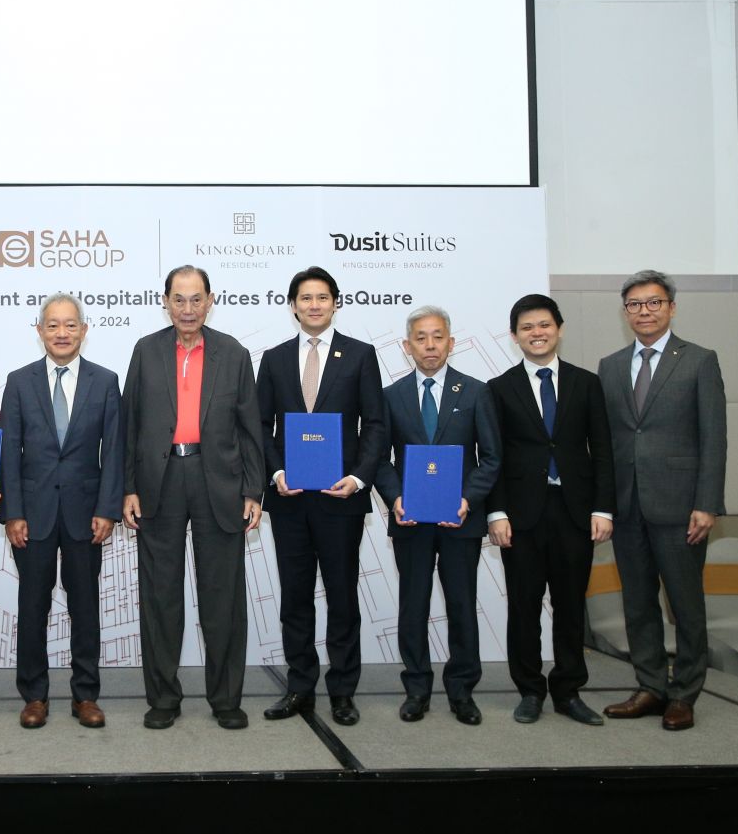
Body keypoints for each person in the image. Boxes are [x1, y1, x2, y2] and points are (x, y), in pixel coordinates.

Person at [122, 265, 264, 730]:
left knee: (221, 597)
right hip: (158, 482)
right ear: (165, 301)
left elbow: (251, 429)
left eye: (196, 299)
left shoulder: (234, 353)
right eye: (178, 299)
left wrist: (253, 489)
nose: (187, 308)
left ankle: (226, 699)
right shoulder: (146, 351)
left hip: (217, 481)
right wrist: (128, 487)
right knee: (160, 597)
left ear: (210, 300)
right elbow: (130, 426)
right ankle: (163, 698)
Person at [255, 267, 386, 726]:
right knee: (295, 596)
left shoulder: (361, 355)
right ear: (292, 305)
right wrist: (275, 471)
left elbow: (375, 424)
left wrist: (359, 477)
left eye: (322, 297)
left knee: (343, 596)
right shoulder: (273, 358)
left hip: (340, 497)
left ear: (336, 303)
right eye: (305, 297)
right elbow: (260, 425)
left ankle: (343, 691)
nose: (314, 304)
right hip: (290, 498)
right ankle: (300, 687)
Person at [598, 271, 726, 732]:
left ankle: (685, 692)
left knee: (686, 604)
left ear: (671, 307)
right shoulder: (610, 366)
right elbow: (610, 439)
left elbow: (714, 437)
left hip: (681, 507)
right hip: (628, 506)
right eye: (634, 304)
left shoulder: (698, 360)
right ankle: (651, 685)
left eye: (653, 303)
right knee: (638, 603)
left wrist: (707, 502)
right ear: (624, 311)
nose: (644, 311)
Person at [486, 294, 614, 726]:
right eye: (526, 328)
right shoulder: (499, 388)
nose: (536, 333)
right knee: (523, 607)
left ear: (558, 328)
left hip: (575, 511)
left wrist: (604, 508)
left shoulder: (586, 383)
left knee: (570, 606)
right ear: (514, 336)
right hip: (521, 516)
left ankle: (568, 690)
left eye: (543, 325)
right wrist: (496, 513)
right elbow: (493, 455)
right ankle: (529, 690)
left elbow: (603, 451)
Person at [0, 293, 123, 729]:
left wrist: (108, 509)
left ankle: (85, 695)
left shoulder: (105, 381)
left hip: (85, 514)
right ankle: (34, 696)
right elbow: (8, 453)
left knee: (85, 607)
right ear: (39, 331)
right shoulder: (18, 381)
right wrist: (12, 512)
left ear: (84, 330)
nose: (62, 333)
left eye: (71, 325)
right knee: (32, 606)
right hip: (31, 516)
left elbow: (116, 450)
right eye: (53, 325)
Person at [374, 306, 500, 725]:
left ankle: (462, 691)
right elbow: (381, 460)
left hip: (459, 519)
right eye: (421, 338)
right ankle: (416, 689)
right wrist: (394, 497)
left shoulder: (477, 392)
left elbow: (491, 458)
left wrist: (467, 499)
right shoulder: (391, 396)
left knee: (463, 604)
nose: (430, 345)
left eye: (438, 336)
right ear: (407, 346)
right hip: (410, 520)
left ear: (452, 341)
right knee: (413, 606)